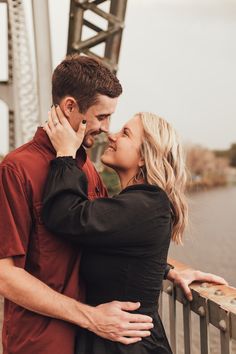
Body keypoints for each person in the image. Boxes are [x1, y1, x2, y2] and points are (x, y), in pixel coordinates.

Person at [0, 54, 227, 354]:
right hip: (43, 343)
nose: (108, 129)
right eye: (102, 116)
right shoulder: (17, 169)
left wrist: (163, 269)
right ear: (70, 107)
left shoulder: (87, 170)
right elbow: (5, 275)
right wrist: (90, 317)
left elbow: (111, 237)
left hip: (94, 339)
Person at [42, 109, 225, 354]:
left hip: (128, 344)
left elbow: (67, 216)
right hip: (113, 338)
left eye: (125, 134)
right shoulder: (137, 204)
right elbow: (126, 253)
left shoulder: (148, 205)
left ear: (143, 157)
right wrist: (165, 270)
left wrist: (64, 155)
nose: (112, 136)